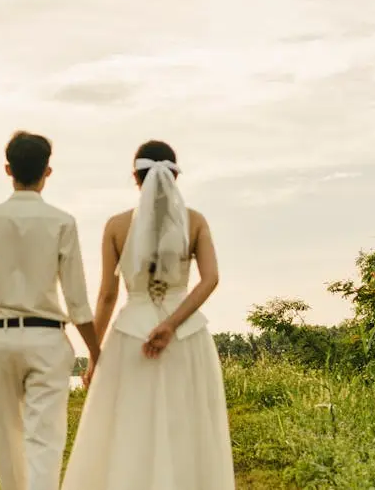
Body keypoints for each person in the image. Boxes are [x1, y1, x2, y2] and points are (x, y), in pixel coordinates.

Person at [61, 140, 235, 490]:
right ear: (175, 175)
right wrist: (171, 324)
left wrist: (95, 356)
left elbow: (108, 296)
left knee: (130, 428)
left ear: (135, 177)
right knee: (187, 425)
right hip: (187, 335)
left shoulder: (116, 226)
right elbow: (211, 279)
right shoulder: (195, 221)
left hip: (131, 335)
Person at [0, 130, 102, 490]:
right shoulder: (61, 222)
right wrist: (96, 353)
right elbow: (77, 301)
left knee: (8, 443)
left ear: (8, 169)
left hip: (1, 339)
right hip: (46, 338)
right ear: (48, 171)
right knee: (45, 441)